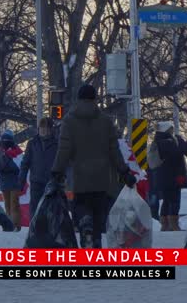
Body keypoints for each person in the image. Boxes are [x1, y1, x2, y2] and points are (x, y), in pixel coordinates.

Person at [51, 84, 136, 248]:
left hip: (79, 177)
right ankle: (95, 241)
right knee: (99, 212)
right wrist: (124, 172)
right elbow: (114, 151)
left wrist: (56, 171)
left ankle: (84, 225)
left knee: (79, 206)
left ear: (78, 99)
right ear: (94, 99)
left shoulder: (69, 121)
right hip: (102, 178)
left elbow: (64, 150)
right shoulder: (105, 121)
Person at [153, 121, 187, 231]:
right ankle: (172, 224)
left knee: (168, 200)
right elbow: (176, 153)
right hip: (171, 175)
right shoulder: (165, 141)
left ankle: (166, 225)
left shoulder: (166, 140)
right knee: (174, 200)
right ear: (167, 129)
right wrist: (184, 145)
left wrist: (186, 146)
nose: (173, 130)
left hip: (168, 175)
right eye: (171, 128)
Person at [20, 117, 59, 217]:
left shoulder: (57, 144)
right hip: (36, 181)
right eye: (41, 129)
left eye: (45, 129)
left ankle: (50, 230)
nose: (43, 131)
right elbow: (25, 163)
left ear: (50, 130)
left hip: (51, 182)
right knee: (35, 208)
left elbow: (62, 163)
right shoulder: (32, 143)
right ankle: (34, 230)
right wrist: (21, 179)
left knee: (51, 208)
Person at [0, 130, 24, 231]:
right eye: (3, 140)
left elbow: (19, 167)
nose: (4, 142)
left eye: (6, 139)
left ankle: (16, 225)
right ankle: (10, 225)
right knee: (7, 205)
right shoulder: (2, 152)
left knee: (14, 205)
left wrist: (5, 167)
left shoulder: (17, 152)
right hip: (4, 182)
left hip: (14, 182)